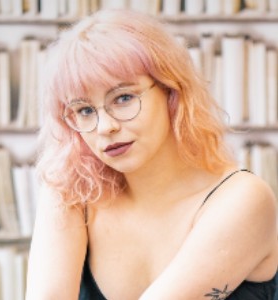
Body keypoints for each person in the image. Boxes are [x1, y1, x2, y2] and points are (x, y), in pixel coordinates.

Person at [25, 8, 278, 300]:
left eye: (123, 98)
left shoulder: (243, 199)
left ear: (173, 93)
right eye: (84, 110)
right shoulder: (71, 190)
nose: (105, 127)